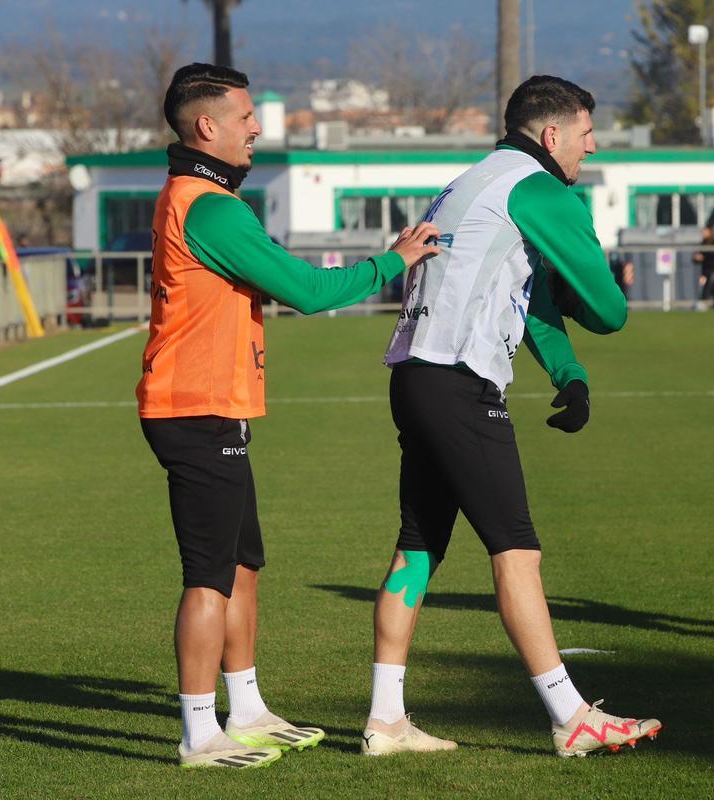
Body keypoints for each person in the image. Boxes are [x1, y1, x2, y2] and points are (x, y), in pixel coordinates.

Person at [137, 62, 439, 768]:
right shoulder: (209, 206)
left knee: (242, 565)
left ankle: (245, 709)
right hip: (193, 408)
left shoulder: (205, 198)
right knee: (209, 575)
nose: (256, 127)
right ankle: (198, 733)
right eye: (245, 117)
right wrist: (392, 261)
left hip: (214, 407)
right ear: (206, 126)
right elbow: (306, 290)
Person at [364, 75, 661, 758]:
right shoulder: (541, 190)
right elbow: (609, 309)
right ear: (552, 135)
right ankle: (571, 716)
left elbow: (528, 295)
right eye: (586, 133)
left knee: (416, 549)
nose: (591, 147)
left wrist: (568, 373)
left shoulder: (477, 179)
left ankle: (385, 720)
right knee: (517, 550)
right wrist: (586, 305)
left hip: (415, 378)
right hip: (459, 384)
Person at [692, 225, 714, 309]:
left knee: (708, 288)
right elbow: (699, 257)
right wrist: (696, 258)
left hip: (713, 270)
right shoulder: (703, 243)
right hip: (706, 270)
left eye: (705, 231)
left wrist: (704, 257)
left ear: (710, 232)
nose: (702, 232)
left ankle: (703, 303)